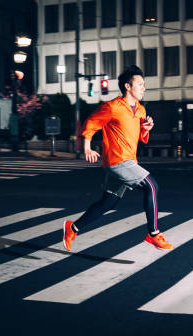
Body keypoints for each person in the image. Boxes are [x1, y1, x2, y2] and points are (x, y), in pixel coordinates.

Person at [62, 65, 173, 251]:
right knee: (152, 186)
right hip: (117, 160)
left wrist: (146, 128)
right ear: (127, 86)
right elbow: (91, 123)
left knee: (108, 202)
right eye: (139, 84)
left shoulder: (141, 110)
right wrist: (87, 147)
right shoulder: (112, 107)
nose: (143, 88)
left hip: (129, 161)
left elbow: (137, 137)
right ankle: (153, 234)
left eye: (144, 84)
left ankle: (72, 228)